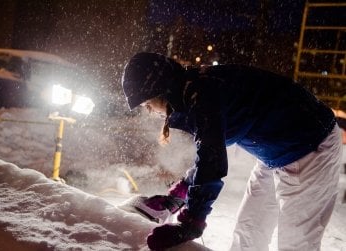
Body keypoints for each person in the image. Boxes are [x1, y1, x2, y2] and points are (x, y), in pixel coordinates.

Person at [121, 52, 342, 251]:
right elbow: (208, 151)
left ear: (163, 90)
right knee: (248, 233)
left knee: (296, 244)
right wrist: (180, 193)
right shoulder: (192, 91)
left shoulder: (203, 94)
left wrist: (191, 223)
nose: (149, 110)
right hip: (275, 152)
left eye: (147, 103)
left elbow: (212, 159)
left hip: (311, 148)